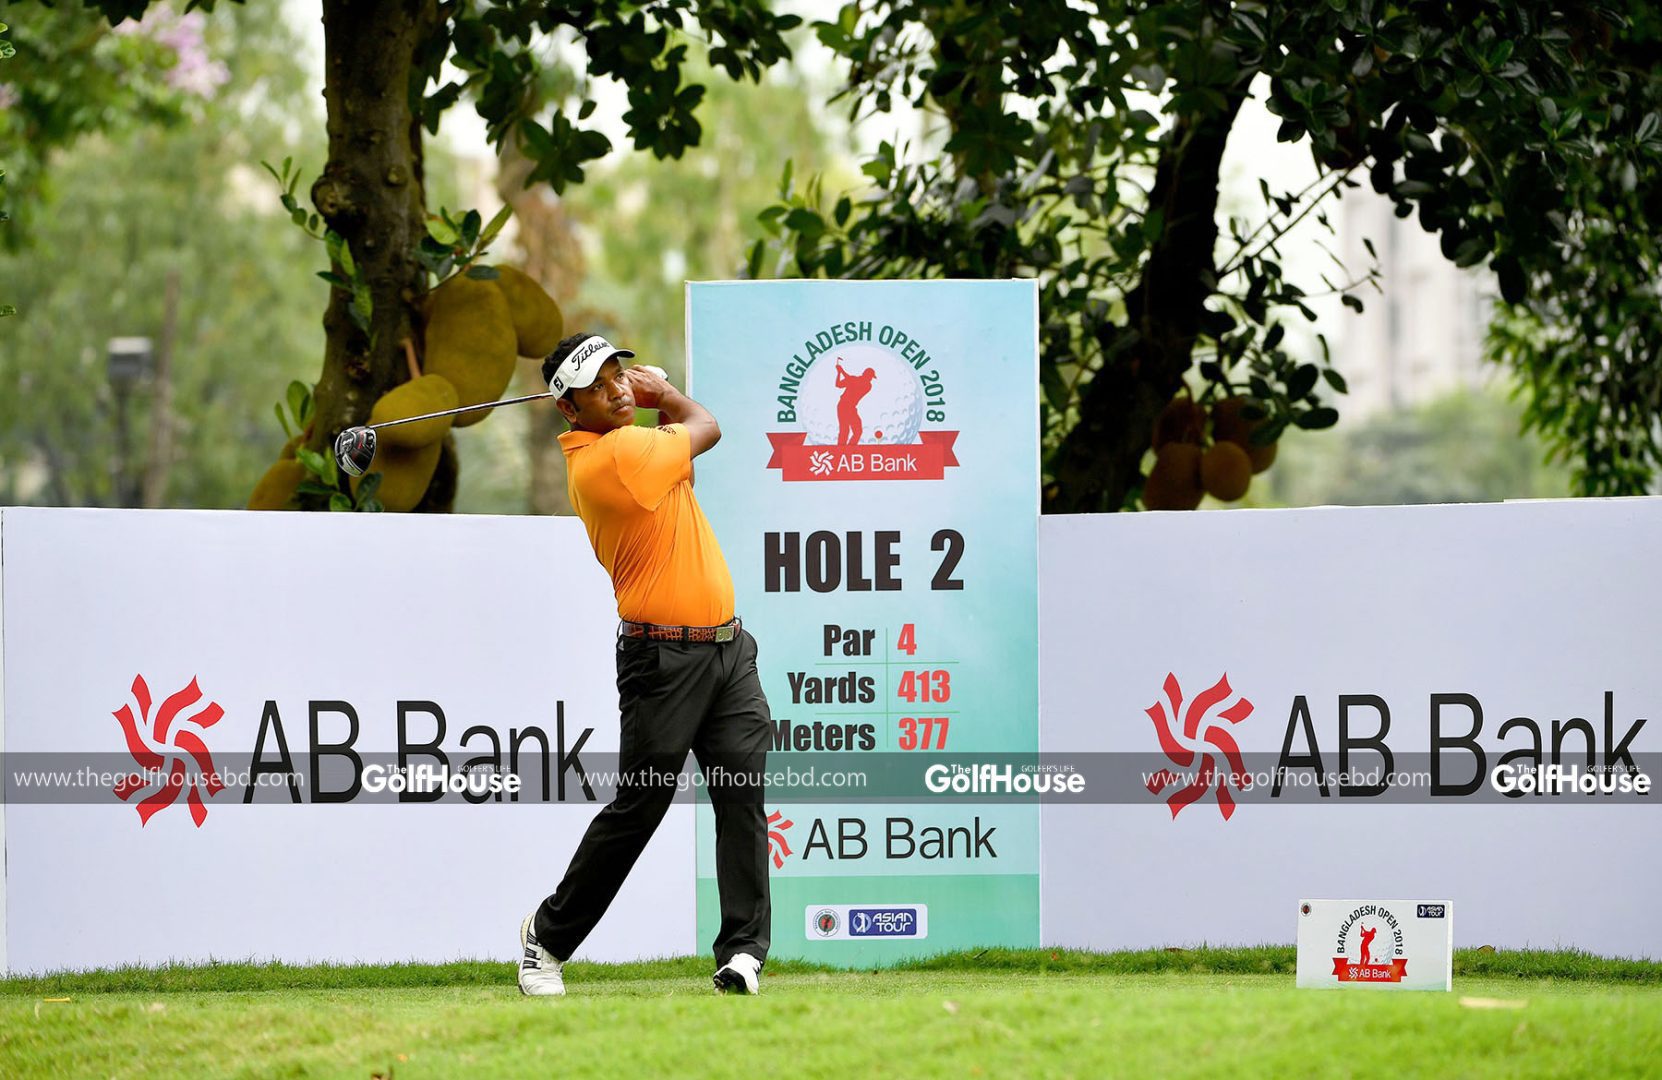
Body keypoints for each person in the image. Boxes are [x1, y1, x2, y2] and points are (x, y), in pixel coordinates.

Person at [519, 332, 773, 997]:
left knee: (741, 794)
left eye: (620, 375)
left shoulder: (633, 446)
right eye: (599, 386)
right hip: (663, 658)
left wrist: (652, 402)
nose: (618, 389)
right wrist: (667, 395)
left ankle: (743, 952)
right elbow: (706, 426)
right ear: (570, 412)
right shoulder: (617, 457)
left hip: (728, 650)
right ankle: (546, 940)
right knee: (642, 805)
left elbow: (681, 444)